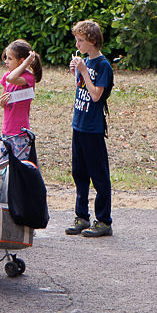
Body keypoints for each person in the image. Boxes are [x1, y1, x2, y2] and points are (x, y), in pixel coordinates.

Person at [67, 19, 114, 238]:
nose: (77, 45)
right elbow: (82, 89)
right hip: (79, 124)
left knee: (99, 176)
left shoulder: (103, 65)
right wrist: (76, 72)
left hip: (93, 128)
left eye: (81, 41)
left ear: (92, 41)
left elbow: (96, 95)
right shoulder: (85, 62)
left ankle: (104, 220)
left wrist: (84, 72)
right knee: (79, 173)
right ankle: (82, 216)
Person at [0, 39, 42, 162]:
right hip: (6, 130)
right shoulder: (6, 76)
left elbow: (11, 78)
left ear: (22, 61)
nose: (6, 62)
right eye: (6, 58)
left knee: (18, 167)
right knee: (3, 166)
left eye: (10, 59)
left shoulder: (28, 78)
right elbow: (5, 97)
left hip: (20, 133)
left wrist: (26, 64)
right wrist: (2, 103)